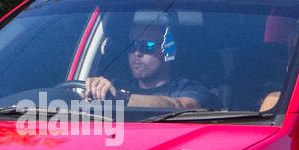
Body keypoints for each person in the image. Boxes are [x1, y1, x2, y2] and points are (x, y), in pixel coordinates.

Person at [83, 23, 217, 110]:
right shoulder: (117, 87)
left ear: (169, 51)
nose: (137, 53)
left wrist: (121, 98)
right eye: (133, 46)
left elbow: (182, 106)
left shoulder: (191, 89)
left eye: (148, 46)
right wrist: (91, 94)